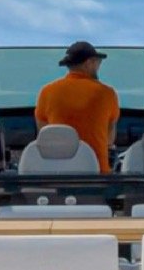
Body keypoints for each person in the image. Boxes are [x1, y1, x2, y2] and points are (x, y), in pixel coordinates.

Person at [33, 40, 120, 172]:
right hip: (97, 175)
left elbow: (44, 134)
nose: (99, 66)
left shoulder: (47, 92)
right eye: (98, 62)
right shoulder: (107, 93)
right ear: (88, 63)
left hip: (57, 175)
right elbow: (109, 139)